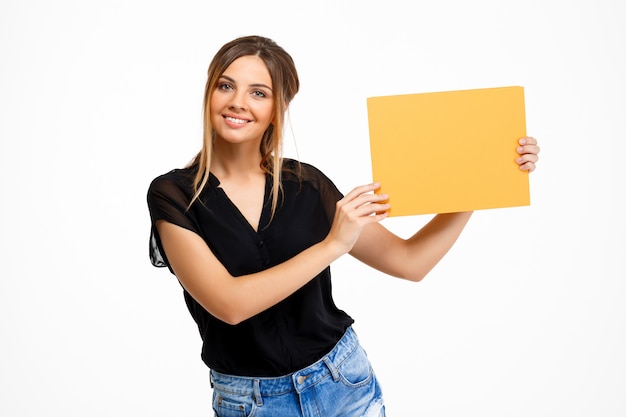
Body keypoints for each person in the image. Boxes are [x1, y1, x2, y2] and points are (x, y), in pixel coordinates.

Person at [147, 35, 540, 417]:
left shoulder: (306, 185)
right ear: (209, 94)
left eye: (258, 92)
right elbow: (229, 305)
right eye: (226, 86)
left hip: (343, 383)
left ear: (277, 109)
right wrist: (333, 245)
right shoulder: (174, 195)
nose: (237, 102)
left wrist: (484, 178)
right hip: (251, 403)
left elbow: (410, 262)